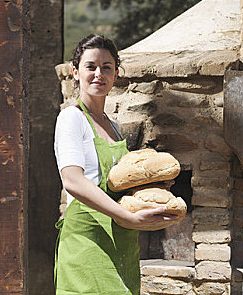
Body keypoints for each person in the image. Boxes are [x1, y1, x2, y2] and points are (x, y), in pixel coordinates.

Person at [54, 34, 176, 294]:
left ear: (116, 75)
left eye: (106, 67)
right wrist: (128, 217)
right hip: (87, 241)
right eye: (91, 67)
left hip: (120, 241)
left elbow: (116, 183)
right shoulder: (71, 118)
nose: (98, 73)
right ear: (76, 73)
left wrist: (155, 184)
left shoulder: (115, 127)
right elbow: (73, 181)